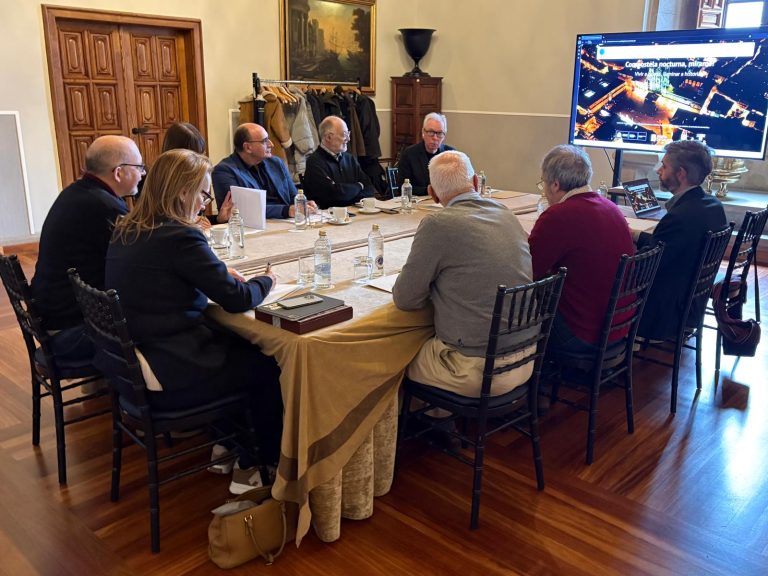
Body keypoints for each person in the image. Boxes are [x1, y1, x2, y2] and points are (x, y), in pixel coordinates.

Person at [105, 149, 283, 493]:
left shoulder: (128, 226)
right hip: (166, 365)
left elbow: (166, 278)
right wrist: (268, 281)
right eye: (203, 193)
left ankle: (225, 443)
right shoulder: (180, 236)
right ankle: (253, 465)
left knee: (234, 342)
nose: (205, 202)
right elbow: (237, 299)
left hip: (133, 363)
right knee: (265, 361)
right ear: (183, 191)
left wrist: (215, 274)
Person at [393, 150, 536, 397]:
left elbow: (405, 299)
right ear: (476, 183)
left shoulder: (437, 225)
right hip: (527, 356)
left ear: (432, 194)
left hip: (477, 369)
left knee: (391, 359)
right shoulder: (506, 214)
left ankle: (433, 423)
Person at [31, 135, 141, 362]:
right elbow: (138, 259)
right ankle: (135, 392)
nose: (143, 174)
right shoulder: (104, 206)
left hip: (51, 316)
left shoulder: (76, 192)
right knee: (162, 321)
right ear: (118, 173)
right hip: (70, 330)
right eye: (139, 167)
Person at [528, 145, 635, 355]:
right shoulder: (610, 207)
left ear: (555, 185)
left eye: (544, 184)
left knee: (520, 299)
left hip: (584, 334)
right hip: (619, 327)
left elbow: (529, 270)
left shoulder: (558, 216)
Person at [635, 140, 727, 340]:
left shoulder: (680, 217)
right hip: (690, 303)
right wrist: (634, 235)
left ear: (681, 174)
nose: (659, 171)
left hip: (661, 314)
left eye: (665, 166)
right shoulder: (712, 206)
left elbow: (643, 267)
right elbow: (668, 246)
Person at [212, 123, 315, 221]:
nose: (271, 144)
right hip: (252, 227)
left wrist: (303, 204)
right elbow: (241, 210)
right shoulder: (224, 171)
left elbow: (293, 196)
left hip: (287, 222)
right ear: (248, 147)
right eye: (265, 141)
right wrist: (285, 210)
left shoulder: (276, 163)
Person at [303, 115, 375, 208]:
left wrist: (347, 194)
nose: (348, 139)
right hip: (328, 217)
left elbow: (369, 188)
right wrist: (358, 186)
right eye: (344, 135)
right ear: (328, 137)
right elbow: (334, 195)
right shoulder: (314, 162)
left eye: (348, 134)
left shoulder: (350, 159)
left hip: (355, 212)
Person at [397, 113, 454, 197]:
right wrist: (428, 190)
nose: (435, 137)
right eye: (431, 132)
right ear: (423, 132)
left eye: (439, 133)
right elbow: (402, 187)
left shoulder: (450, 154)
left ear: (444, 135)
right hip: (418, 203)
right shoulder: (409, 154)